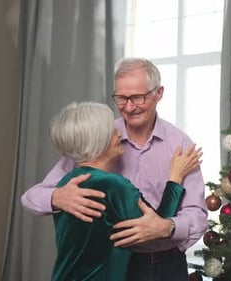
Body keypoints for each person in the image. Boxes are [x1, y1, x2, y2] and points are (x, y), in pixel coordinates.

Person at [21, 57, 209, 281]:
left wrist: (167, 227)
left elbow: (198, 216)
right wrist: (56, 196)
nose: (129, 107)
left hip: (166, 266)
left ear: (158, 93)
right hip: (115, 266)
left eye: (137, 97)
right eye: (121, 98)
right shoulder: (98, 138)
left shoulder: (180, 144)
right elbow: (31, 197)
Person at [47, 102, 201, 280]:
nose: (119, 134)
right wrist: (175, 176)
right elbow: (155, 225)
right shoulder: (114, 185)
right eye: (112, 132)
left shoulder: (66, 184)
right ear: (98, 143)